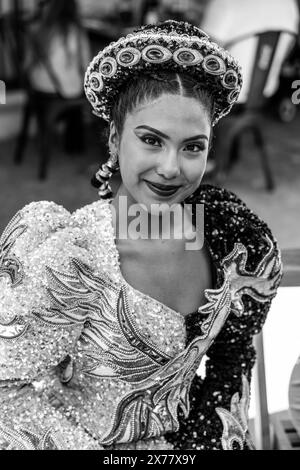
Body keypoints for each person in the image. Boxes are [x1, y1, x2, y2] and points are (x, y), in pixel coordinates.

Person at [0, 20, 282, 450]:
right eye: (152, 140)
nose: (172, 167)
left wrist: (200, 443)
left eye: (193, 147)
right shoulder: (71, 255)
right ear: (115, 140)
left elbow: (232, 359)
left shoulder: (230, 236)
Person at [200, 0, 299, 104]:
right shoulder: (289, 4)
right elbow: (289, 48)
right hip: (266, 95)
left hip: (221, 98)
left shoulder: (225, 3)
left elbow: (205, 53)